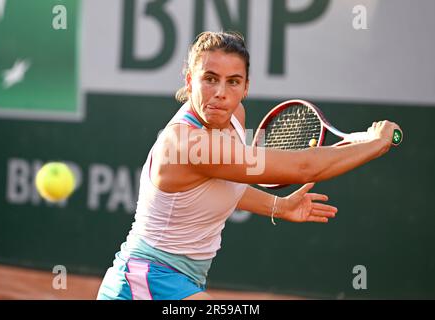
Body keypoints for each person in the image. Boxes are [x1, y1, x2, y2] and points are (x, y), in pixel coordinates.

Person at [96, 31, 401, 300]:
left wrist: (278, 207)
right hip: (146, 280)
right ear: (190, 80)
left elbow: (224, 185)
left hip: (182, 279)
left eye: (233, 82)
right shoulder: (188, 144)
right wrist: (376, 145)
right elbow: (304, 167)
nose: (220, 93)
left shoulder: (235, 117)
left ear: (246, 88)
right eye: (210, 79)